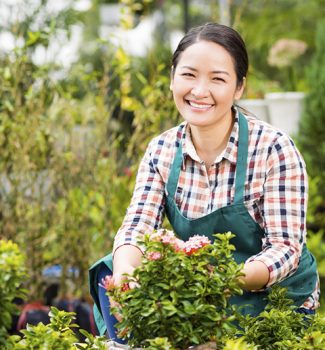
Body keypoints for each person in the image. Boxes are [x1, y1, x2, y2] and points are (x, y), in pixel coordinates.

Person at [89, 22, 320, 342]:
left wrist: (223, 279)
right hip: (201, 298)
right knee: (109, 269)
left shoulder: (273, 148)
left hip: (271, 300)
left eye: (217, 79)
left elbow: (285, 249)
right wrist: (126, 274)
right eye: (188, 74)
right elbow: (136, 228)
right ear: (172, 78)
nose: (199, 90)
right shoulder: (162, 150)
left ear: (239, 87)